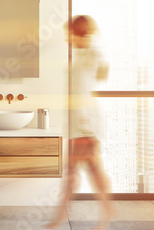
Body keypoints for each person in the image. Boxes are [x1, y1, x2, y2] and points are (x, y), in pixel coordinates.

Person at [46, 15, 115, 230]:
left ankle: (59, 219)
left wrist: (85, 128)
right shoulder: (82, 55)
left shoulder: (90, 56)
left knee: (72, 175)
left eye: (70, 33)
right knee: (90, 172)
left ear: (78, 33)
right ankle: (106, 210)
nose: (67, 38)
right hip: (79, 126)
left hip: (84, 126)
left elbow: (93, 83)